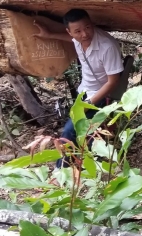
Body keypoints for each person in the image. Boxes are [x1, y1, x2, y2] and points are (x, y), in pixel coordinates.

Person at [34, 8, 124, 165]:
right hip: (84, 91)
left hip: (101, 95)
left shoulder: (107, 46)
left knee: (71, 130)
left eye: (88, 27)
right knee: (84, 132)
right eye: (78, 31)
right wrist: (49, 35)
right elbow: (72, 39)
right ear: (70, 32)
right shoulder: (78, 40)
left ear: (92, 24)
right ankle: (82, 165)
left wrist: (90, 104)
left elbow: (113, 81)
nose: (84, 34)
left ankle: (61, 171)